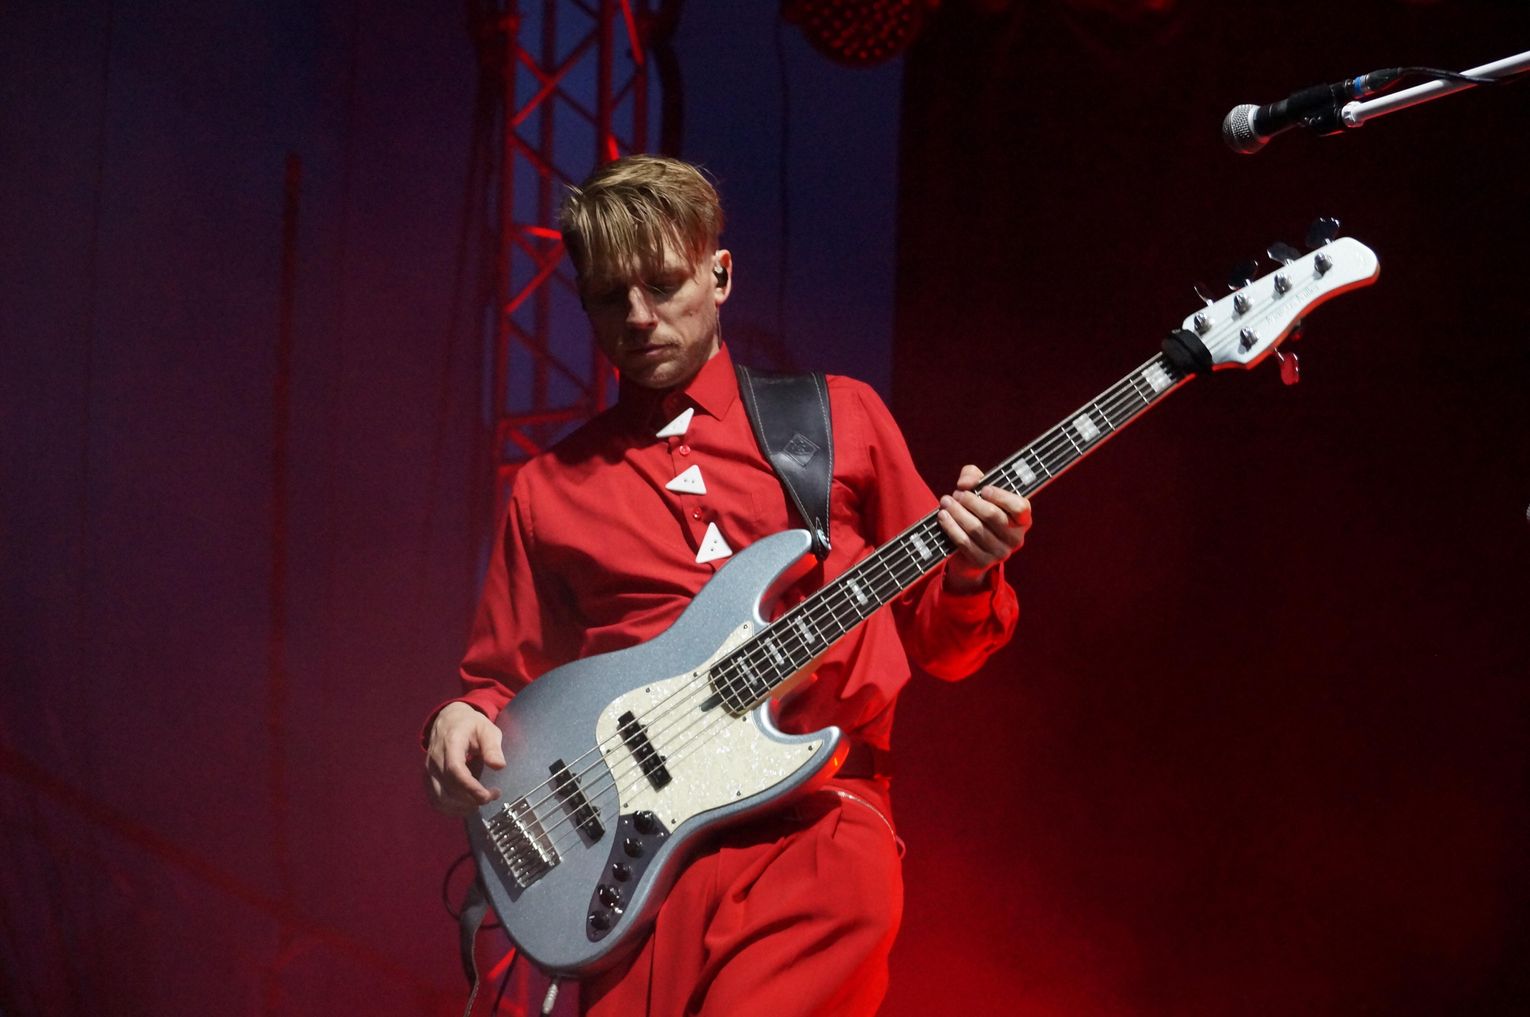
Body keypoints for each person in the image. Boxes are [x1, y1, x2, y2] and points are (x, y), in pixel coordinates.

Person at [423, 154, 1031, 1016]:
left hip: (814, 833)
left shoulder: (839, 418)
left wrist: (970, 570)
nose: (639, 317)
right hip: (631, 877)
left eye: (664, 284)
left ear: (720, 274)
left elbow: (945, 646)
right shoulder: (549, 490)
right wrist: (457, 722)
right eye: (609, 297)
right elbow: (498, 683)